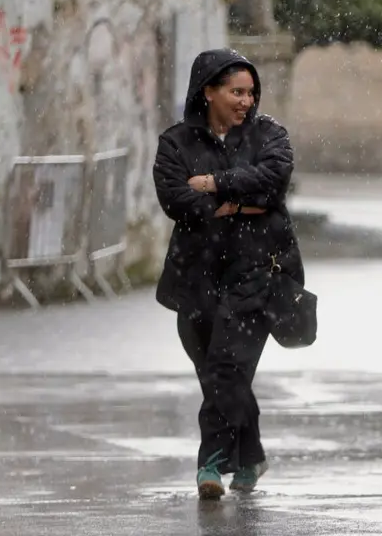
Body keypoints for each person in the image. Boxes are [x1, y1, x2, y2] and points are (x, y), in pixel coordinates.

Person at [153, 49, 301, 500]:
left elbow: (275, 179)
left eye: (251, 92)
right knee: (218, 375)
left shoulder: (269, 133)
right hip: (193, 275)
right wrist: (240, 198)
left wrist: (216, 185)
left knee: (227, 367)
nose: (246, 101)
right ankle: (251, 453)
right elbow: (175, 199)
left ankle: (211, 464)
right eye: (236, 91)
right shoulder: (176, 142)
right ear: (209, 91)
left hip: (257, 271)